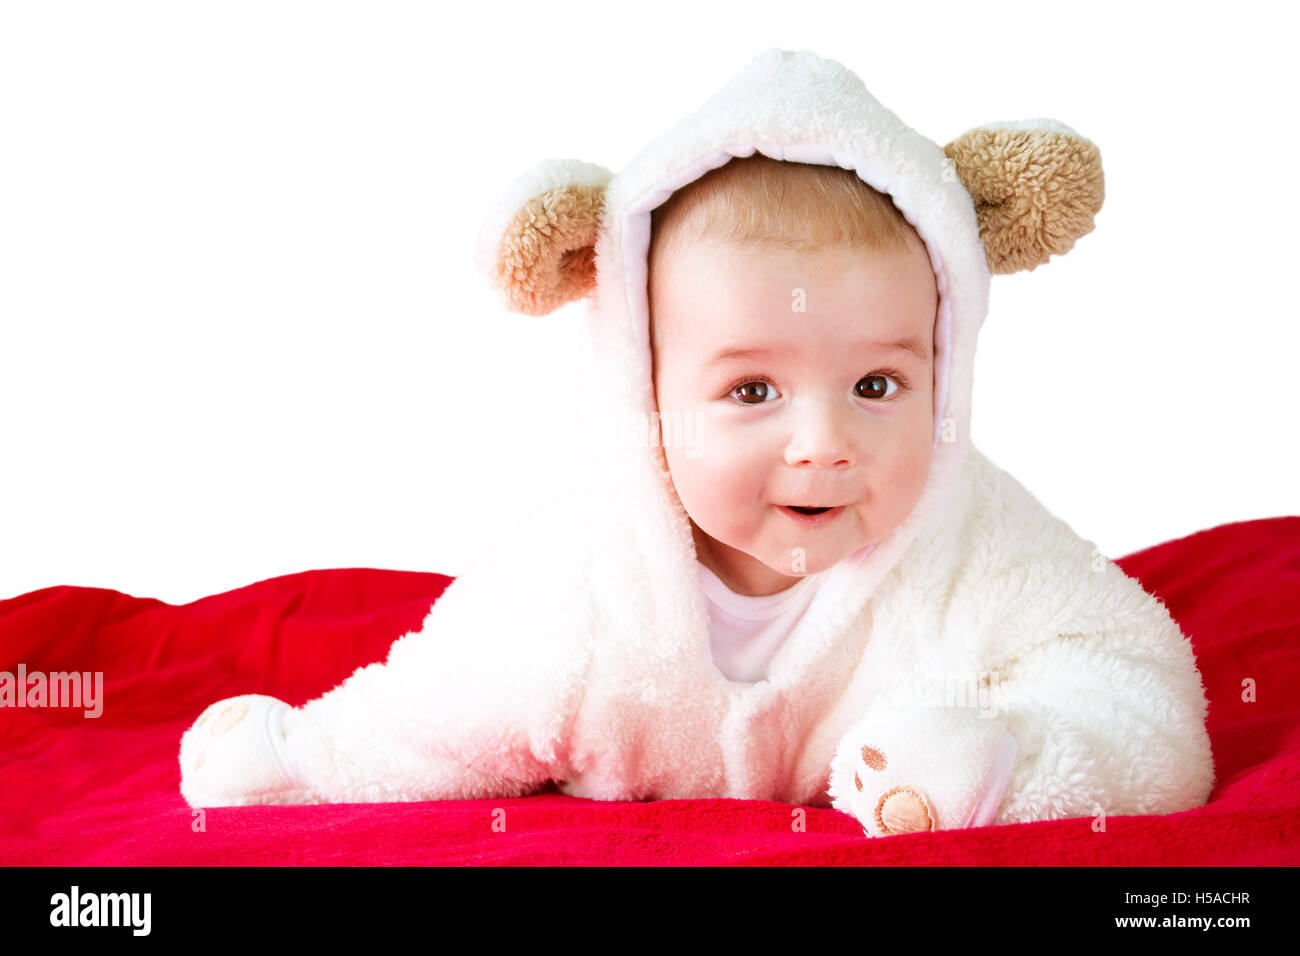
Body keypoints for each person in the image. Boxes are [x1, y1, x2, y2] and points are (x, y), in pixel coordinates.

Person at [179, 48, 1215, 838]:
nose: (824, 441)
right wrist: (302, 755)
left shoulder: (976, 538)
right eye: (751, 387)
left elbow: (1139, 695)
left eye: (876, 383)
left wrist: (1005, 766)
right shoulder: (577, 586)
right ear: (645, 389)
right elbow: (434, 712)